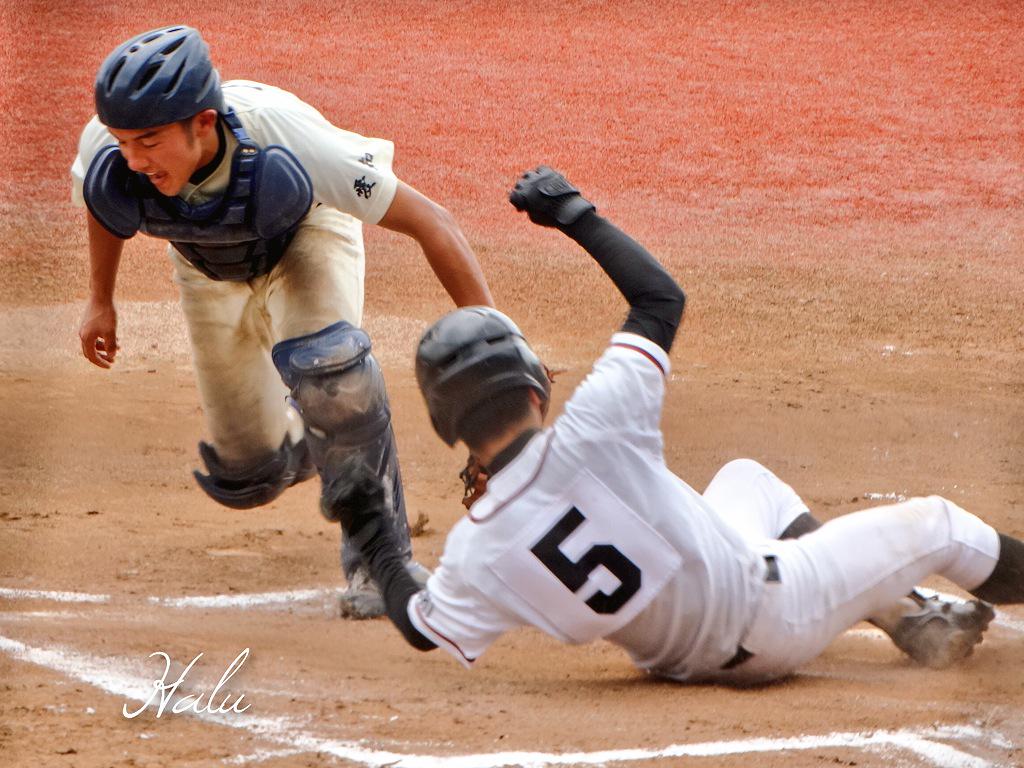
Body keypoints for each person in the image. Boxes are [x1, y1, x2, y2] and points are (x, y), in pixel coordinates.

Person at [325, 166, 1024, 682]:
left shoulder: (480, 546)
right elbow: (660, 299)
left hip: (679, 663)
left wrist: (373, 532)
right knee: (935, 523)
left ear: (449, 423)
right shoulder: (597, 428)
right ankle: (904, 593)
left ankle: (907, 613)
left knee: (747, 483)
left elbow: (420, 624)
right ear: (535, 389)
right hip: (776, 616)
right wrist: (573, 213)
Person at [71, 26, 494, 618]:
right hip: (205, 266)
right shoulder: (112, 150)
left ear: (203, 121)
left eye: (148, 140)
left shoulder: (287, 137)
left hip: (306, 239)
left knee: (331, 373)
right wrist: (100, 299)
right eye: (122, 142)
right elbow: (104, 203)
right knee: (250, 475)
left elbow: (434, 222)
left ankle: (379, 561)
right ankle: (311, 441)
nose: (134, 160)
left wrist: (497, 341)